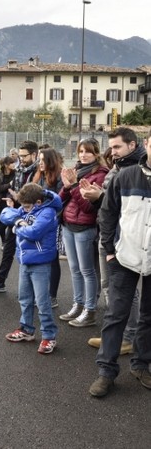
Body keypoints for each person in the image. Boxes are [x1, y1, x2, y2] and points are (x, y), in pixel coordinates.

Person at [88, 129, 151, 397]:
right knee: (116, 315)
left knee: (148, 316)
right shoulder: (126, 176)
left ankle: (141, 365)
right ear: (147, 144)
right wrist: (109, 250)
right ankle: (106, 371)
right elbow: (107, 213)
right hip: (123, 258)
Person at [80, 127, 146, 355]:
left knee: (126, 293)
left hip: (123, 240)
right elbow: (109, 205)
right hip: (108, 236)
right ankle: (116, 336)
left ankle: (128, 338)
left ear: (133, 145)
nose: (113, 151)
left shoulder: (136, 169)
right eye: (112, 146)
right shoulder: (119, 165)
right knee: (110, 289)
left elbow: (125, 208)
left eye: (118, 146)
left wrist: (100, 196)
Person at [2, 183, 62, 354]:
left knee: (42, 302)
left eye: (27, 207)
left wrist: (17, 226)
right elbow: (5, 213)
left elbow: (34, 232)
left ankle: (49, 336)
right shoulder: (27, 209)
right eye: (22, 206)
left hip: (41, 263)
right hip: (25, 261)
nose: (24, 210)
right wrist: (18, 220)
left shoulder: (48, 212)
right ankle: (26, 329)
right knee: (24, 298)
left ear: (38, 202)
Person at [58, 138, 109, 327]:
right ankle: (77, 304)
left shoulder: (101, 174)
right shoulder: (77, 170)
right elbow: (60, 199)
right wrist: (66, 185)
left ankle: (90, 310)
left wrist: (72, 187)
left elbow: (89, 207)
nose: (83, 155)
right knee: (74, 270)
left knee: (87, 271)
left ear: (96, 153)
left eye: (87, 151)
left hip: (85, 228)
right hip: (68, 225)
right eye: (80, 151)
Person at [0, 140, 39, 292]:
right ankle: (0, 281)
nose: (20, 159)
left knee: (30, 254)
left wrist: (21, 199)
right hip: (16, 215)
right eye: (19, 156)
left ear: (34, 154)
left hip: (33, 219)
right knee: (8, 250)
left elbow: (39, 196)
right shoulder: (19, 170)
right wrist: (13, 199)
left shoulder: (39, 171)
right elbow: (15, 189)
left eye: (24, 156)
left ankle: (33, 290)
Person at [32, 147, 64, 308]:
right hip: (40, 223)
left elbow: (60, 202)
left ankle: (52, 296)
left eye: (43, 160)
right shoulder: (42, 176)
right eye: (39, 159)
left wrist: (48, 221)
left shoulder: (59, 178)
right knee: (41, 260)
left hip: (52, 225)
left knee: (52, 260)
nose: (40, 162)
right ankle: (41, 294)